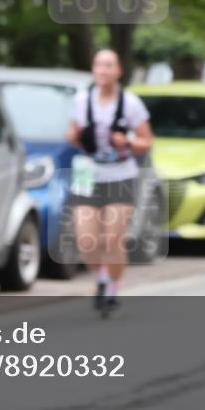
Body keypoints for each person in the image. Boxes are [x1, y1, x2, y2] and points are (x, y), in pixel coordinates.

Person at [66, 49, 153, 316]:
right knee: (86, 241)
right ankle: (102, 276)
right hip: (88, 173)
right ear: (93, 70)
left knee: (113, 239)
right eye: (98, 65)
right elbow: (72, 134)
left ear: (118, 71)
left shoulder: (131, 103)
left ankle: (113, 287)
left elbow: (147, 141)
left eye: (108, 65)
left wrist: (126, 141)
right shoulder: (81, 100)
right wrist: (76, 136)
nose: (102, 70)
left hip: (121, 174)